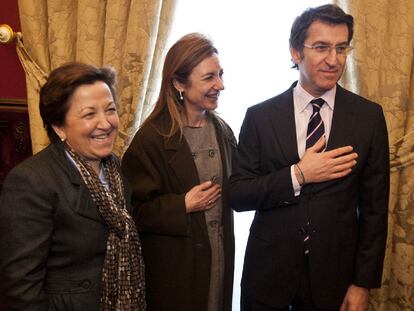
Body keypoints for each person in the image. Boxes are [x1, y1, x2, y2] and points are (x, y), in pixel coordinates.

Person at [229, 4, 389, 311]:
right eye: (321, 47)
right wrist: (298, 175)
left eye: (341, 48)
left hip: (336, 280)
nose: (333, 60)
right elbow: (239, 194)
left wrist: (362, 283)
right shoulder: (260, 117)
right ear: (295, 52)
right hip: (267, 277)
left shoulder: (368, 117)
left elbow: (374, 210)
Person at [0, 62, 146, 311]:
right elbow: (20, 288)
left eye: (110, 110)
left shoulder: (115, 168)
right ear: (59, 127)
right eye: (90, 114)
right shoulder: (30, 181)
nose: (106, 123)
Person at [121, 33, 236, 311]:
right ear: (178, 83)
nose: (220, 84)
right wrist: (181, 205)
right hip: (176, 271)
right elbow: (130, 213)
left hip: (219, 260)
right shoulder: (151, 138)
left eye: (220, 74)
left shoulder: (224, 132)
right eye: (209, 77)